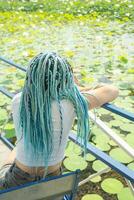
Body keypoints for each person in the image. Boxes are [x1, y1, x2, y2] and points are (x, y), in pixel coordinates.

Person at [0, 52, 119, 189]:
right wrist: (74, 87)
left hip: (18, 181)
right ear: (65, 80)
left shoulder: (18, 100)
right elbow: (112, 90)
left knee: (14, 151)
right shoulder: (72, 103)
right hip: (52, 182)